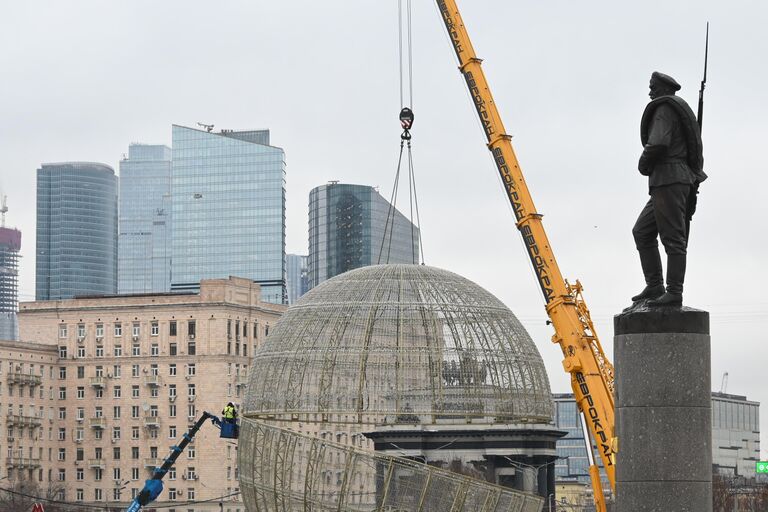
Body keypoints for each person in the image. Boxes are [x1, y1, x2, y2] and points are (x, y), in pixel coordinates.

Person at [631, 71, 706, 307]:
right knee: (642, 232)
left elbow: (659, 143)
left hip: (670, 179)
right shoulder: (672, 108)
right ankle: (655, 285)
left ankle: (674, 291)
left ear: (663, 88)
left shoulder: (664, 109)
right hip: (667, 181)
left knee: (673, 239)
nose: (650, 91)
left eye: (653, 86)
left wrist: (643, 163)